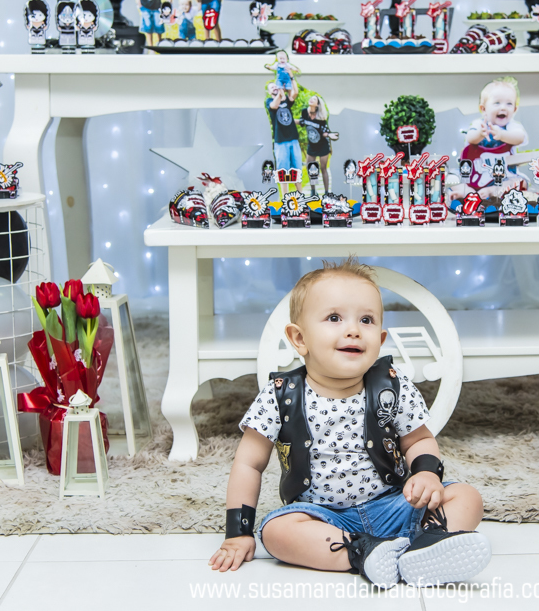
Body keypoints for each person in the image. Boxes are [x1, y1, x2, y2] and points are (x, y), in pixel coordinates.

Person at [209, 259, 490, 588]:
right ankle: (362, 552)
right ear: (299, 338)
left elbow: (418, 440)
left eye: (366, 320)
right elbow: (249, 464)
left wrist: (426, 474)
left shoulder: (392, 386)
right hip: (322, 517)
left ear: (380, 339)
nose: (353, 329)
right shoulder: (279, 395)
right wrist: (238, 533)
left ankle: (426, 546)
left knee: (467, 497)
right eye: (334, 318)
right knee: (276, 532)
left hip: (393, 504)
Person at [449, 76, 529, 202]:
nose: (503, 107)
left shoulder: (512, 126)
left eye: (509, 103)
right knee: (451, 177)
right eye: (497, 103)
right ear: (483, 109)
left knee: (521, 182)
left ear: (514, 109)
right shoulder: (479, 124)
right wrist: (480, 134)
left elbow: (520, 137)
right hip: (475, 174)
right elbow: (470, 138)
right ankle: (468, 191)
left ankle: (491, 191)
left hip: (502, 176)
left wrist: (502, 135)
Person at [267, 83, 303, 183]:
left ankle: (299, 192)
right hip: (281, 141)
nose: (275, 88)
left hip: (293, 139)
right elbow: (274, 106)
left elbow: (295, 92)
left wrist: (291, 78)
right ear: (269, 92)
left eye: (276, 86)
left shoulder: (286, 100)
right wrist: (280, 92)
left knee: (297, 170)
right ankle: (285, 192)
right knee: (282, 172)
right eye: (272, 87)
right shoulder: (269, 101)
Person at [299, 95, 334, 193]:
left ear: (317, 105)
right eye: (311, 98)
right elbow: (302, 122)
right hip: (312, 145)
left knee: (323, 168)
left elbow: (325, 132)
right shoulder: (304, 112)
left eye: (314, 99)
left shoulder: (321, 117)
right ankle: (313, 191)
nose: (311, 99)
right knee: (311, 168)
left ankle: (326, 192)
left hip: (322, 145)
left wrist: (329, 136)